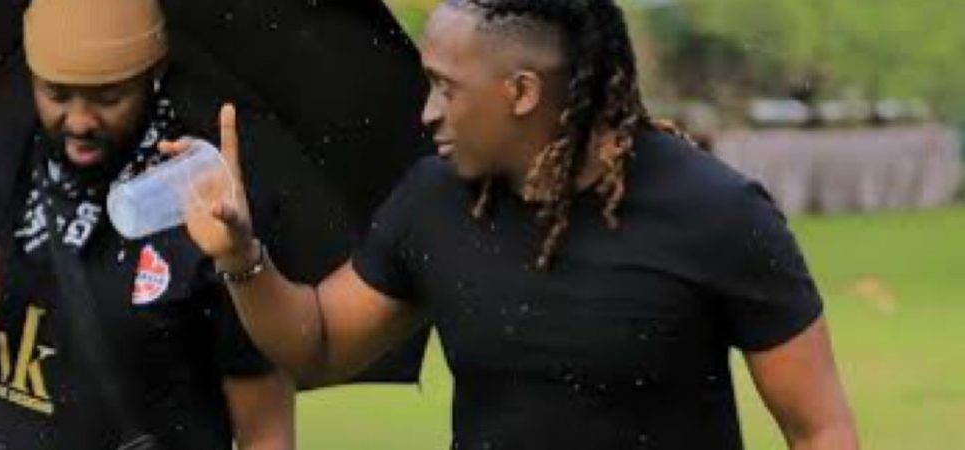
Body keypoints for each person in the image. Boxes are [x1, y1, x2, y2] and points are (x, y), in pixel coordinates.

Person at [167, 0, 859, 448]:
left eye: (446, 87)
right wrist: (242, 255)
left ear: (521, 92)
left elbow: (820, 428)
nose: (427, 113)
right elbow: (318, 346)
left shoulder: (719, 213)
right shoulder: (434, 202)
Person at [0, 0, 293, 448]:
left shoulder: (206, 203)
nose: (80, 121)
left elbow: (266, 426)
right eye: (56, 95)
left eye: (108, 98)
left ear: (153, 75)